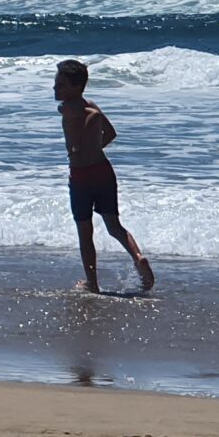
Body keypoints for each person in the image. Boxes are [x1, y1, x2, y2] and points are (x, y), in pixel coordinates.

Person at [56, 58, 154, 294]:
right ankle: (138, 257)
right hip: (103, 171)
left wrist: (80, 146)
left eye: (60, 84)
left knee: (85, 232)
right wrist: (93, 146)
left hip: (81, 176)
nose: (55, 89)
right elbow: (110, 133)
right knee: (114, 226)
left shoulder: (68, 108)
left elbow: (84, 115)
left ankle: (93, 283)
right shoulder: (91, 104)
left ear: (75, 87)